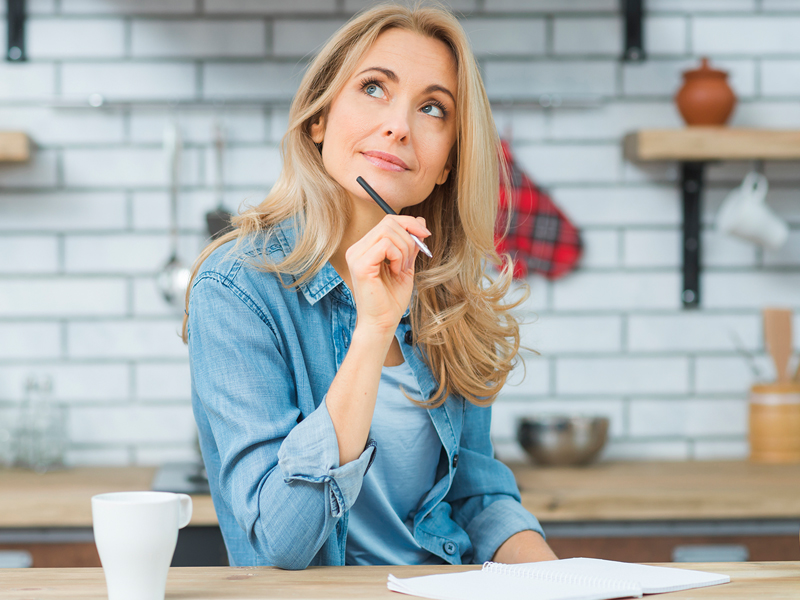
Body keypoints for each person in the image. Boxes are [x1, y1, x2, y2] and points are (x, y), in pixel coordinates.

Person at [183, 3, 557, 569]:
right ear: (319, 119)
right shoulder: (237, 289)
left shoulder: (449, 292)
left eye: (432, 108)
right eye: (374, 88)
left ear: (447, 162)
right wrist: (373, 328)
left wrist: (559, 579)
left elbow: (478, 498)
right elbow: (278, 543)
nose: (400, 125)